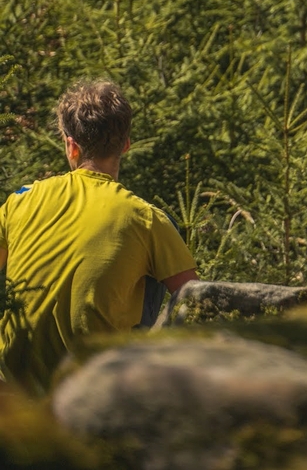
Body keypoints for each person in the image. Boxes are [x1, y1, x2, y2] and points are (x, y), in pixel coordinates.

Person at [0, 80, 198, 393]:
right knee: (161, 240)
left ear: (71, 145)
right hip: (93, 382)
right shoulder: (147, 219)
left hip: (12, 377)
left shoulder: (20, 200)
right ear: (126, 144)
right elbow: (194, 297)